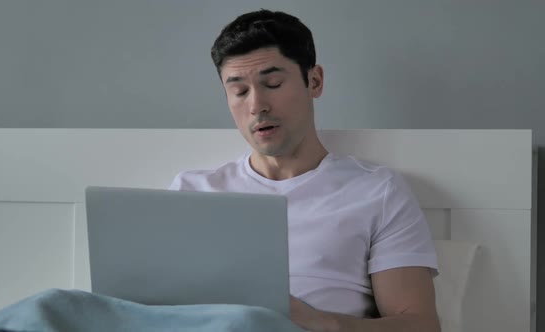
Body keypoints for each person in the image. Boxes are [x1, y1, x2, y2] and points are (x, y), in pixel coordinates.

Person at [169, 9, 441, 332]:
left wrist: (320, 323)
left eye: (272, 83)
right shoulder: (191, 191)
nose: (256, 106)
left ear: (315, 81)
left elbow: (420, 325)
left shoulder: (377, 191)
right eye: (239, 91)